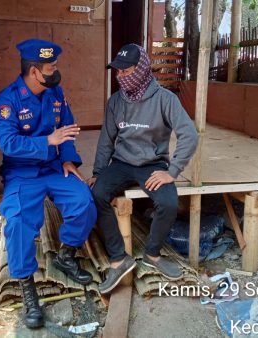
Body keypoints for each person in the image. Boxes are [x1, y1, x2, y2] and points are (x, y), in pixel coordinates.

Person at [0, 39, 97, 329]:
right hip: (22, 172)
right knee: (18, 221)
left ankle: (65, 255)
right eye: (51, 67)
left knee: (83, 201)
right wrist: (46, 141)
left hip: (53, 167)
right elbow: (8, 143)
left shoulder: (56, 93)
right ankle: (27, 286)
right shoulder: (8, 100)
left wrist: (67, 159)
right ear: (35, 71)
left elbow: (67, 129)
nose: (56, 71)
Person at [87, 43, 199, 294]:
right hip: (122, 163)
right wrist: (97, 172)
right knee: (96, 194)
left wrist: (172, 172)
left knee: (168, 203)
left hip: (152, 165)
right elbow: (106, 139)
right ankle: (119, 259)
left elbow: (189, 135)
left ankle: (152, 254)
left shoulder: (165, 99)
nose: (120, 77)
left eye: (126, 72)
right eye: (118, 72)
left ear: (142, 70)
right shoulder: (115, 101)